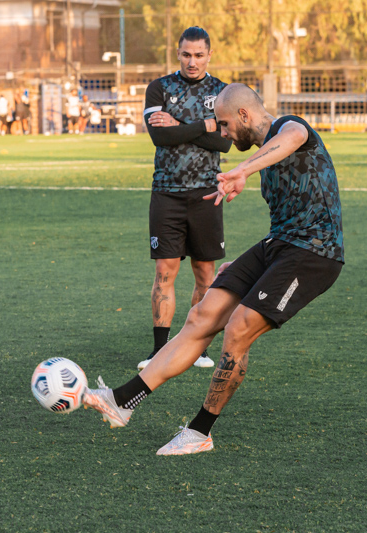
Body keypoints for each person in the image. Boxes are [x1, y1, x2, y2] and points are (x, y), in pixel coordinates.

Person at [83, 83, 344, 455]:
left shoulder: (289, 126)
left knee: (238, 327)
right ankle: (122, 400)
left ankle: (201, 431)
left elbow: (293, 137)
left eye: (223, 124)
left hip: (315, 253)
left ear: (243, 115)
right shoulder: (262, 156)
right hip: (281, 245)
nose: (221, 134)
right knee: (202, 314)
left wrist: (242, 171)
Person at [135, 26, 232, 371]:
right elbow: (160, 138)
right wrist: (203, 126)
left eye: (199, 55)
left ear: (209, 54)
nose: (193, 61)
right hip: (167, 193)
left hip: (208, 193)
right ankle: (159, 351)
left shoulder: (222, 92)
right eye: (186, 54)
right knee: (165, 270)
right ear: (178, 53)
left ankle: (199, 348)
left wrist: (179, 123)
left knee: (206, 273)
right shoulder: (159, 87)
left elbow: (223, 143)